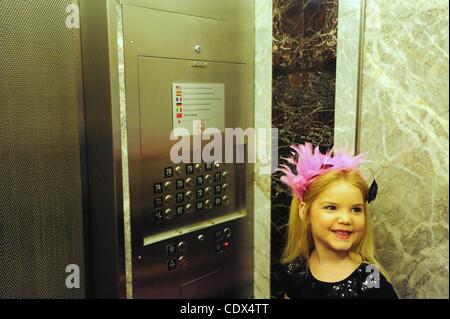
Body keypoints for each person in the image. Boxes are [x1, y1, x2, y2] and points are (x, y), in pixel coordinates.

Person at [277, 143, 398, 299]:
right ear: (305, 213)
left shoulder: (370, 279)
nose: (346, 219)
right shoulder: (296, 269)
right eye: (331, 208)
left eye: (356, 209)